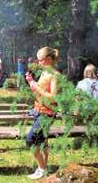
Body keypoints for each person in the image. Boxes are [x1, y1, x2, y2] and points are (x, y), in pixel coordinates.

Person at [25, 46, 60, 180]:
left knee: (30, 140)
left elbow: (53, 97)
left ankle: (42, 168)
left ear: (49, 59)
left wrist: (36, 88)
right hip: (38, 110)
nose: (38, 63)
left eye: (41, 60)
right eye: (38, 60)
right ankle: (44, 169)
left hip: (47, 113)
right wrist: (31, 82)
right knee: (42, 141)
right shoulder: (44, 73)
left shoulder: (55, 75)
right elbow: (39, 93)